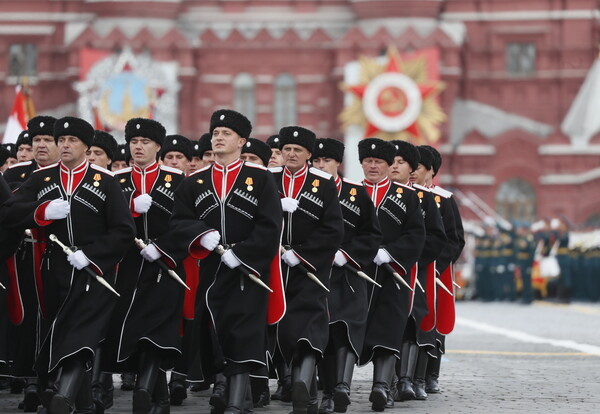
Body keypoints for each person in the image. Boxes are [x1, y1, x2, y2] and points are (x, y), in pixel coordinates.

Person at [151, 109, 284, 414]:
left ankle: (237, 401)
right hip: (210, 268)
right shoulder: (194, 182)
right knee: (215, 331)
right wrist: (200, 234)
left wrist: (245, 253)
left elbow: (270, 225)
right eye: (216, 133)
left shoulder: (261, 179)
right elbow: (179, 220)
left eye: (226, 133)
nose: (219, 138)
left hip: (248, 270)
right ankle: (235, 392)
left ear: (242, 141)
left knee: (245, 330)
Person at [0, 116, 135, 414]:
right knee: (64, 331)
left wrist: (93, 255)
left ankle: (63, 395)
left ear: (87, 146)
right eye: (60, 140)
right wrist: (42, 209)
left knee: (82, 331)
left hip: (92, 272)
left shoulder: (107, 182)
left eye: (71, 140)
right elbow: (8, 211)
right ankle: (85, 405)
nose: (64, 145)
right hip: (54, 270)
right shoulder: (42, 178)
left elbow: (124, 231)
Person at [102, 117, 186, 414]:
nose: (138, 147)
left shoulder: (177, 179)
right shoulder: (116, 180)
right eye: (134, 142)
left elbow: (187, 223)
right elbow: (103, 223)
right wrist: (129, 209)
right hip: (128, 266)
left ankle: (143, 388)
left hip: (166, 266)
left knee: (158, 328)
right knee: (135, 329)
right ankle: (158, 398)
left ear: (158, 147)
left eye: (145, 142)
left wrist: (163, 249)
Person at [270, 126, 344, 414]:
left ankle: (304, 383)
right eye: (286, 149)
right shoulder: (268, 178)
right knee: (280, 328)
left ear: (309, 155)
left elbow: (332, 229)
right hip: (273, 268)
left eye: (297, 150)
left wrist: (301, 255)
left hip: (308, 270)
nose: (290, 154)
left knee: (309, 326)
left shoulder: (323, 183)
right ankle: (297, 384)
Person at [311, 138, 381, 414]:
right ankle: (328, 392)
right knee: (324, 333)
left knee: (346, 328)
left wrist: (349, 255)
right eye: (315, 161)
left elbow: (371, 233)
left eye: (326, 160)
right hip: (316, 274)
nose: (320, 165)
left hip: (349, 275)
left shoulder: (355, 192)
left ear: (337, 163)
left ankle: (342, 386)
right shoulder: (307, 192)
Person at [357, 138, 425, 412]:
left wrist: (391, 253)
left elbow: (416, 235)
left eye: (380, 162)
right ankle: (337, 387)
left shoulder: (406, 196)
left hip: (391, 275)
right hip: (356, 273)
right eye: (368, 161)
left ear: (388, 166)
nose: (373, 166)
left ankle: (382, 387)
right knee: (346, 328)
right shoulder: (349, 192)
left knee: (388, 329)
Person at [3, 116, 59, 190]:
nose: (41, 145)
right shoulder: (13, 173)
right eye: (37, 140)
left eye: (47, 140)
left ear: (60, 143)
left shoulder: (70, 171)